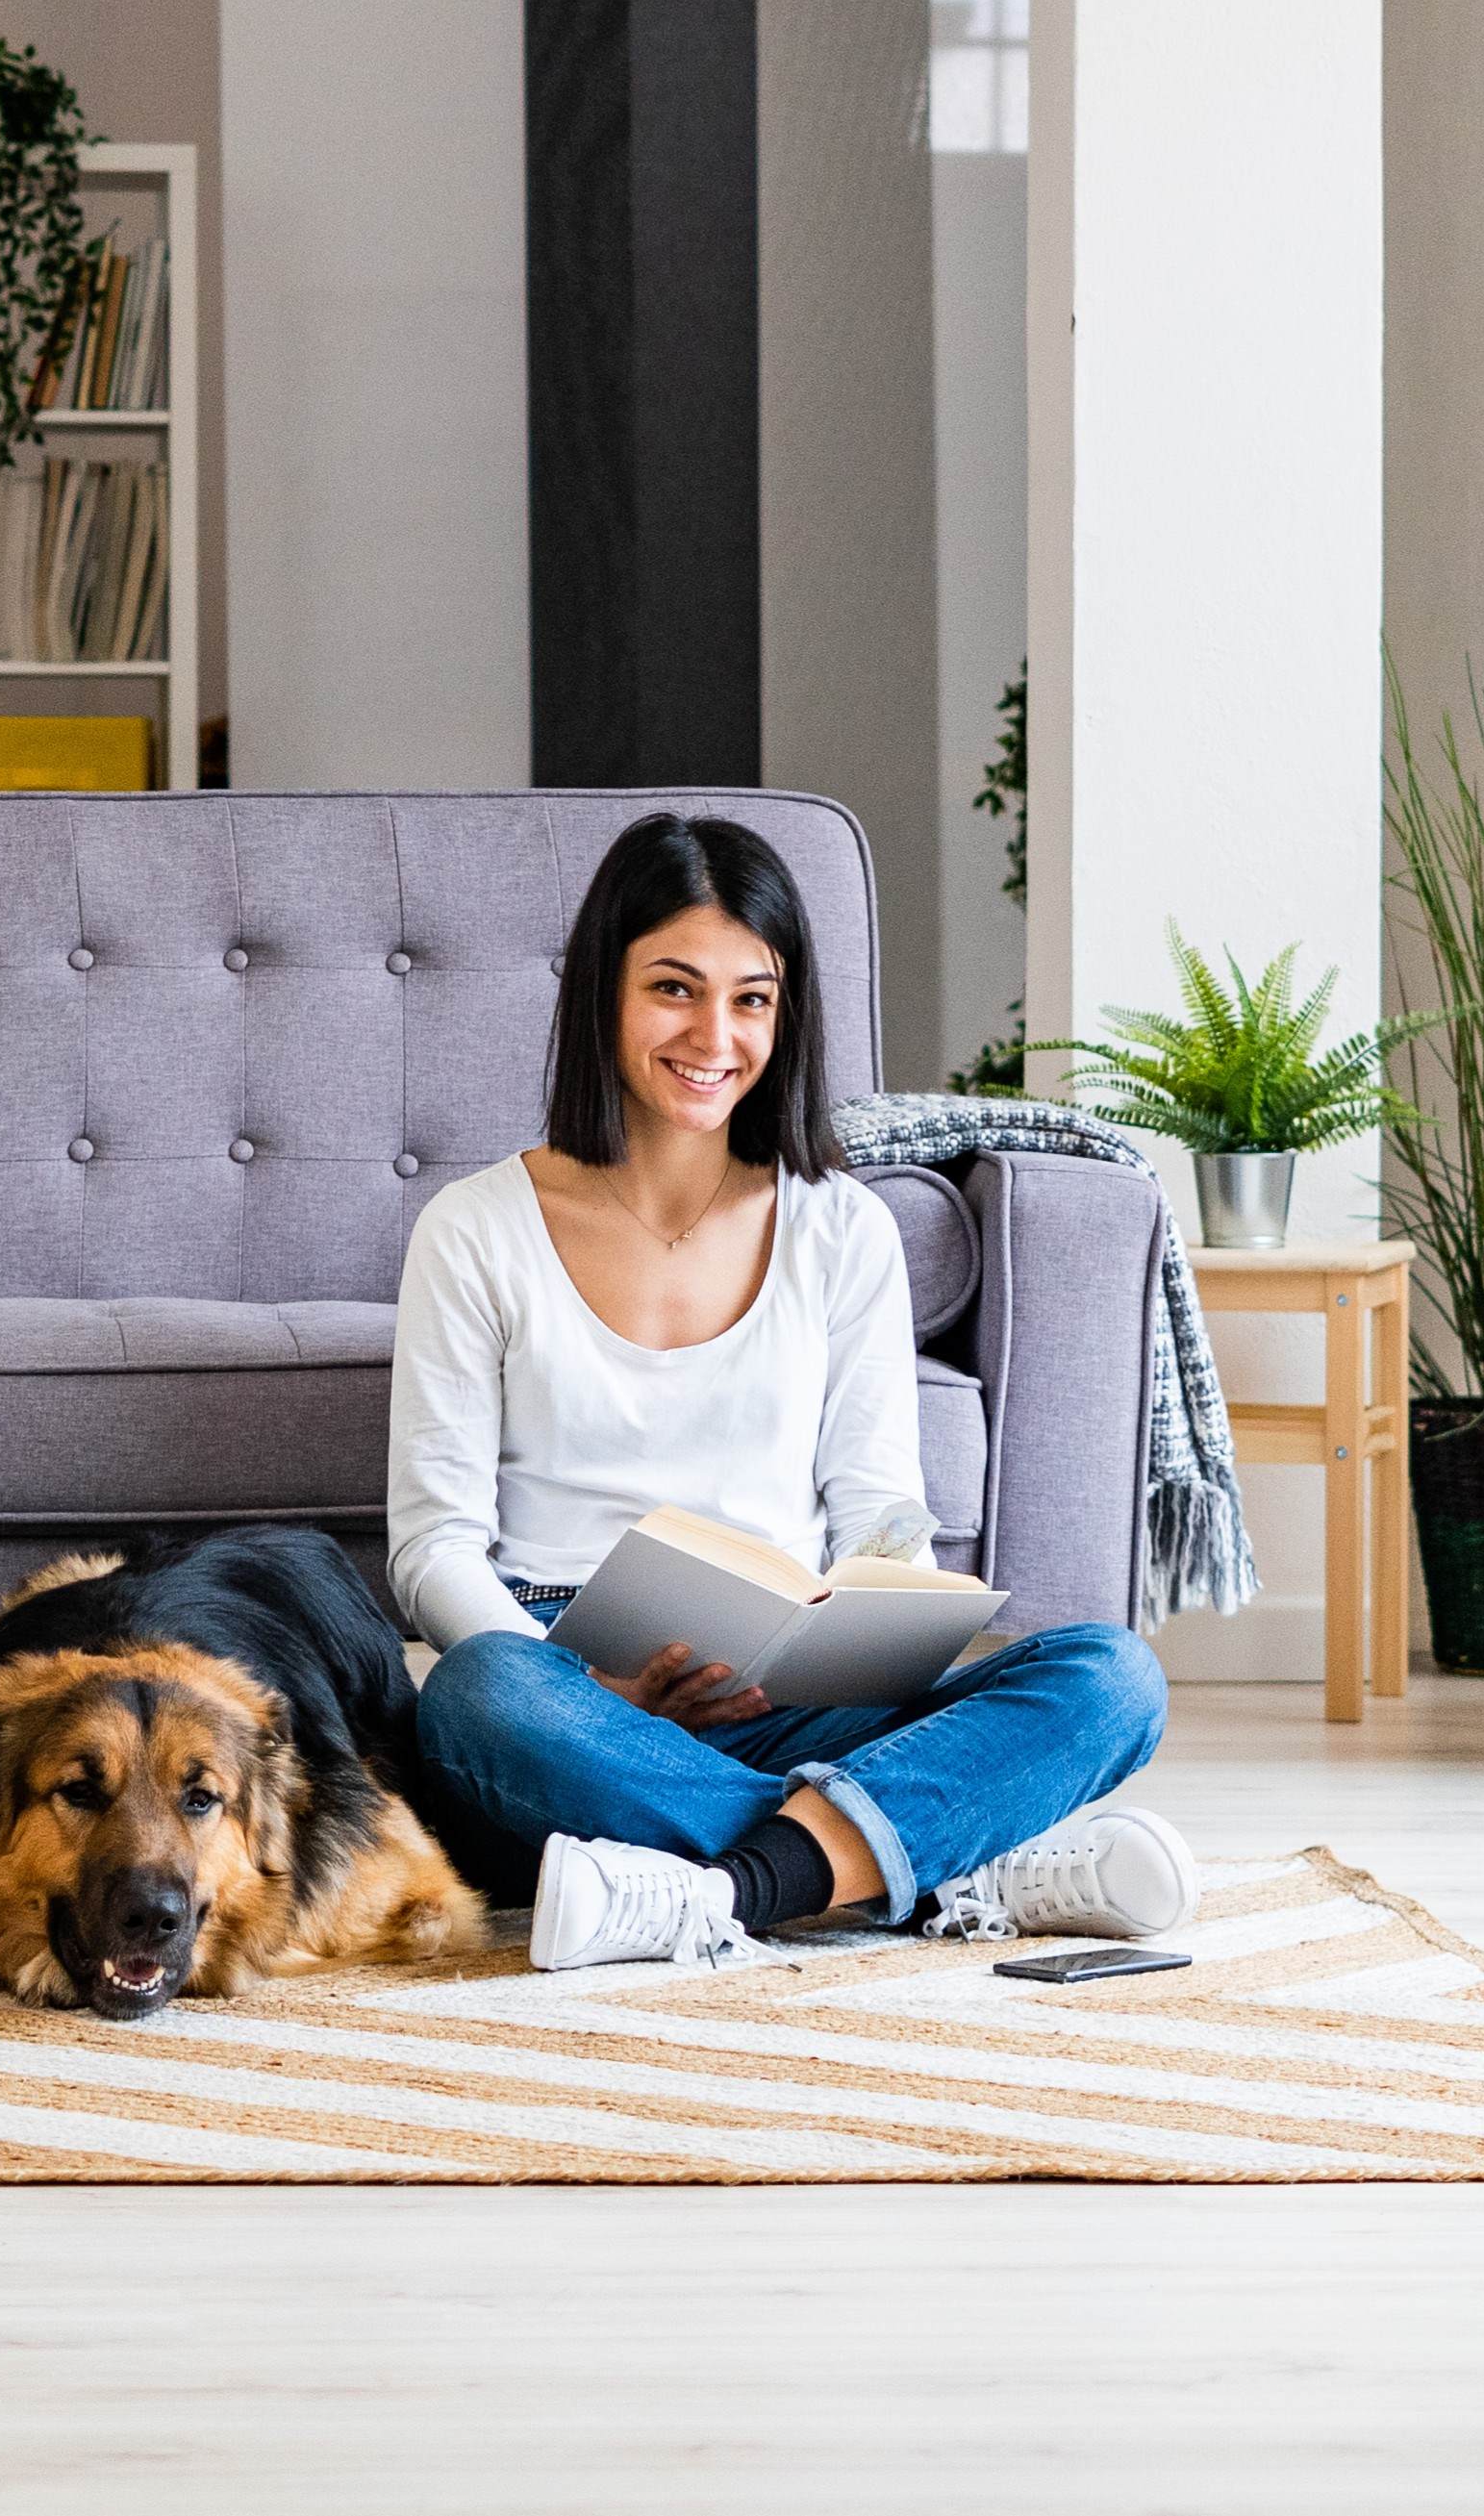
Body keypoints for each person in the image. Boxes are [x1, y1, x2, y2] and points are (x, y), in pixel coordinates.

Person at [389, 812, 1195, 1971]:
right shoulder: (475, 1229)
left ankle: (721, 1887)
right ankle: (937, 1859)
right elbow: (431, 1549)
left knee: (1113, 1675)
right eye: (674, 988)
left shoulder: (839, 1228)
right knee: (472, 1697)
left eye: (751, 998)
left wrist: (883, 1617)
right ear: (602, 995)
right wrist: (596, 1687)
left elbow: (876, 1509)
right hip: (566, 1679)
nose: (713, 1034)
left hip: (789, 1675)